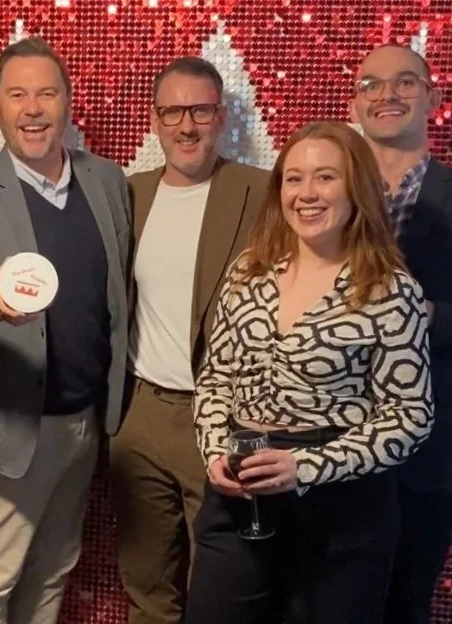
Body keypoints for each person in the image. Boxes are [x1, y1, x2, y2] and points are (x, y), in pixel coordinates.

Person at [0, 37, 131, 624]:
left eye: (46, 93)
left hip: (85, 424)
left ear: (67, 101)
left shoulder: (107, 182)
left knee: (54, 569)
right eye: (17, 95)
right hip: (14, 429)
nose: (32, 108)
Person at [185, 121, 434, 624]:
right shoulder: (248, 270)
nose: (306, 193)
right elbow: (214, 380)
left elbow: (410, 416)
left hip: (341, 510)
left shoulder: (391, 291)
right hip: (241, 499)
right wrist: (215, 450)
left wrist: (307, 466)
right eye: (293, 178)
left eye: (325, 177)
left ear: (355, 188)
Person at [109, 56, 268, 624]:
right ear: (155, 121)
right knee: (146, 582)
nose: (186, 125)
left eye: (200, 109)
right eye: (172, 111)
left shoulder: (264, 191)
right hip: (140, 413)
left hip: (224, 417)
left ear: (220, 115)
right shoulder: (127, 193)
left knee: (223, 586)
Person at [349, 43, 452, 624]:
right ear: (355, 103)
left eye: (404, 82)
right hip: (328, 443)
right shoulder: (325, 195)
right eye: (371, 84)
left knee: (401, 604)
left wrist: (428, 316)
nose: (387, 95)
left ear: (432, 98)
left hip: (425, 454)